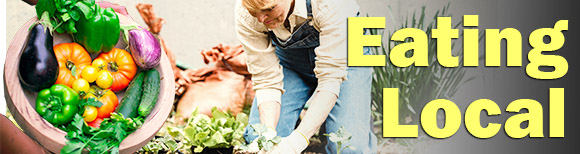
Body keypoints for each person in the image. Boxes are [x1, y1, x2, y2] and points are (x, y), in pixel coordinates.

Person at [234, 0, 377, 153]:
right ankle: (324, 118)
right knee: (258, 137)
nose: (261, 19)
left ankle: (346, 116)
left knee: (349, 147)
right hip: (290, 62)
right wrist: (268, 135)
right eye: (255, 11)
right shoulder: (246, 11)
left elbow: (330, 80)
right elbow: (266, 80)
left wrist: (296, 143)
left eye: (269, 9)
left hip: (346, 54)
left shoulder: (331, 3)